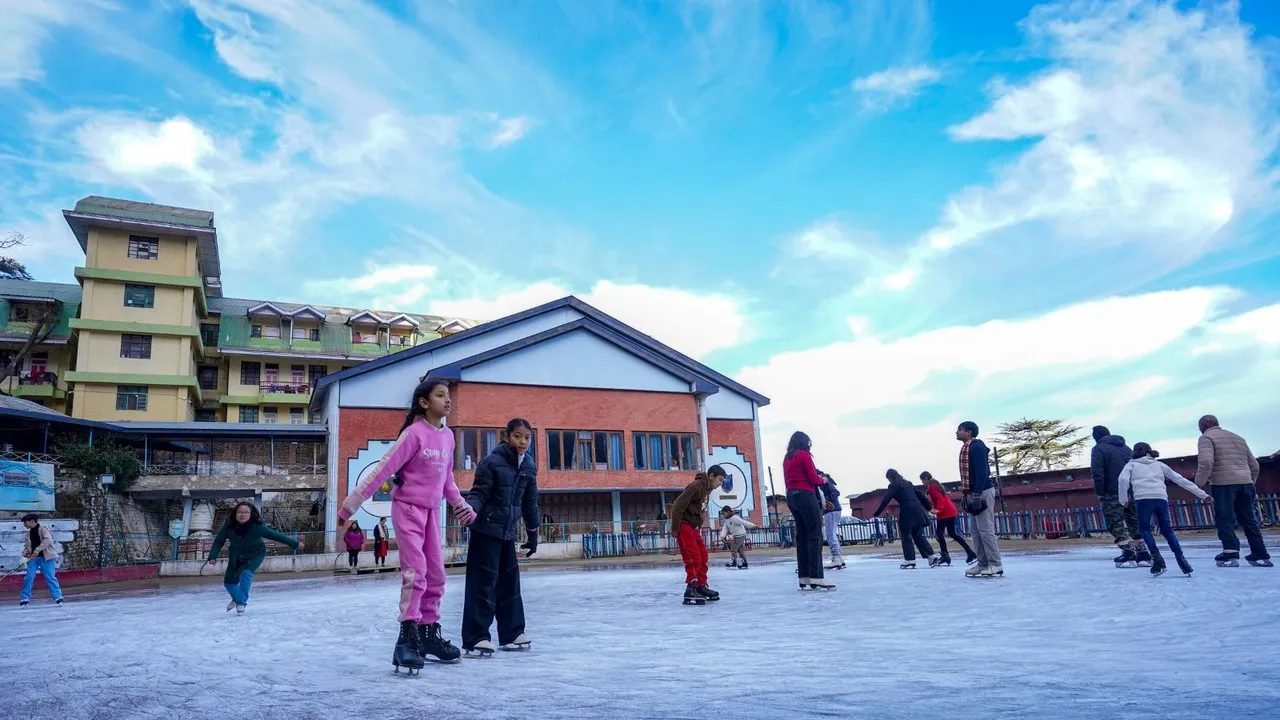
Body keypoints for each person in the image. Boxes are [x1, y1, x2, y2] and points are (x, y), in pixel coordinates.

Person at [339, 377, 478, 673]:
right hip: (408, 510)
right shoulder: (414, 435)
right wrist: (349, 507)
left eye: (448, 396)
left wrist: (460, 505)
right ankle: (406, 640)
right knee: (416, 573)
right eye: (441, 395)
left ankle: (428, 634)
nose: (448, 400)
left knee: (437, 575)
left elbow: (447, 479)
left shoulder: (448, 436)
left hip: (431, 513)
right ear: (424, 403)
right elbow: (382, 470)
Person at [461, 418, 540, 656]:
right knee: (482, 585)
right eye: (517, 436)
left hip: (506, 532)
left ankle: (513, 632)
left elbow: (530, 502)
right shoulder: (491, 463)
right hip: (485, 530)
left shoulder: (528, 466)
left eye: (527, 437)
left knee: (510, 584)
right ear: (506, 437)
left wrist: (533, 531)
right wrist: (469, 510)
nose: (522, 442)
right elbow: (479, 493)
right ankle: (476, 636)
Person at [1118, 442, 1207, 576]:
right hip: (1161, 498)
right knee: (1167, 529)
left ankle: (1158, 560)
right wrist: (1203, 494)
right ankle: (1182, 560)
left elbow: (1123, 481)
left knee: (1145, 529)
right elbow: (1179, 479)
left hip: (1143, 499)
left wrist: (1123, 500)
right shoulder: (1159, 464)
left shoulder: (1131, 465)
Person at [1195, 415, 1271, 567]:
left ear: (1203, 425)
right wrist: (1250, 482)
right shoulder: (1238, 438)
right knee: (1249, 519)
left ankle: (1230, 553)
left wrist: (1199, 482)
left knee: (1225, 518)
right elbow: (1254, 465)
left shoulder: (1206, 438)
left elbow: (1206, 461)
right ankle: (1260, 553)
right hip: (1246, 483)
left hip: (1224, 484)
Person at [206, 502, 299, 613]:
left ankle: (241, 604)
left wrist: (295, 544)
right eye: (239, 512)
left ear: (251, 514)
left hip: (255, 554)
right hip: (236, 555)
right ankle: (237, 599)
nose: (242, 515)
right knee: (229, 583)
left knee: (246, 573)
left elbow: (277, 536)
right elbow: (218, 541)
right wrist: (212, 556)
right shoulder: (228, 527)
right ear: (235, 513)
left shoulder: (257, 527)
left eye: (246, 512)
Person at [781, 432, 834, 590]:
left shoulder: (787, 457)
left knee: (802, 535)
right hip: (806, 496)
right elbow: (813, 478)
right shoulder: (804, 455)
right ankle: (816, 576)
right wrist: (823, 480)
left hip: (791, 497)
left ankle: (803, 576)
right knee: (815, 534)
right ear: (805, 442)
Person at [1090, 425, 1149, 568]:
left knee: (1115, 521)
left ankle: (1128, 552)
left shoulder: (1098, 449)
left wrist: (1100, 492)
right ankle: (1143, 554)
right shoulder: (1126, 448)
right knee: (1134, 520)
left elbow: (1098, 473)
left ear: (1095, 436)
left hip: (1112, 490)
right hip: (1131, 489)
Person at [670, 465, 725, 604]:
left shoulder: (706, 489)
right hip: (683, 524)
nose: (720, 484)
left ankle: (701, 585)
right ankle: (691, 587)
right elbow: (677, 505)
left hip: (693, 526)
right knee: (693, 556)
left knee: (702, 555)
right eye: (720, 480)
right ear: (711, 476)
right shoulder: (696, 486)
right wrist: (675, 528)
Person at [957, 421, 1002, 578]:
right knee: (976, 531)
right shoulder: (966, 447)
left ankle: (995, 563)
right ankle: (982, 563)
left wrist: (976, 494)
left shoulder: (976, 446)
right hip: (972, 492)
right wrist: (967, 494)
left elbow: (983, 471)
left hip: (982, 491)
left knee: (986, 529)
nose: (956, 432)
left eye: (959, 430)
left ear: (968, 432)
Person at [872, 469, 940, 569]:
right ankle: (931, 556)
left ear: (890, 478)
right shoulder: (908, 483)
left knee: (905, 534)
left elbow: (886, 499)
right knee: (918, 535)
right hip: (918, 510)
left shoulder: (893, 485)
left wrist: (877, 513)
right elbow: (920, 495)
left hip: (907, 511)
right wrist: (929, 508)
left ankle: (910, 559)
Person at [921, 472, 975, 566]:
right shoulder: (936, 485)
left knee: (939, 534)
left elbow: (939, 499)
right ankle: (970, 552)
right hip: (951, 511)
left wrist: (938, 510)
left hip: (945, 513)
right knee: (952, 533)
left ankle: (945, 555)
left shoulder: (932, 486)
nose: (922, 483)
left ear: (926, 478)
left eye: (922, 480)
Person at [19, 514, 63, 607]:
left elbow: (47, 540)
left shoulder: (43, 529)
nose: (24, 524)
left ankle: (58, 596)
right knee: (29, 577)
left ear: (32, 521)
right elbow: (27, 546)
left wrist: (37, 550)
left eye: (25, 522)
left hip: (46, 557)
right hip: (33, 558)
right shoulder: (28, 534)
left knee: (50, 576)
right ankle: (25, 597)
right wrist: (25, 552)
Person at [819, 471, 845, 570]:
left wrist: (826, 501)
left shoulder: (825, 482)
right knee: (832, 533)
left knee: (830, 534)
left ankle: (836, 558)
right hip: (834, 510)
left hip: (831, 510)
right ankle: (839, 558)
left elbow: (836, 492)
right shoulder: (826, 482)